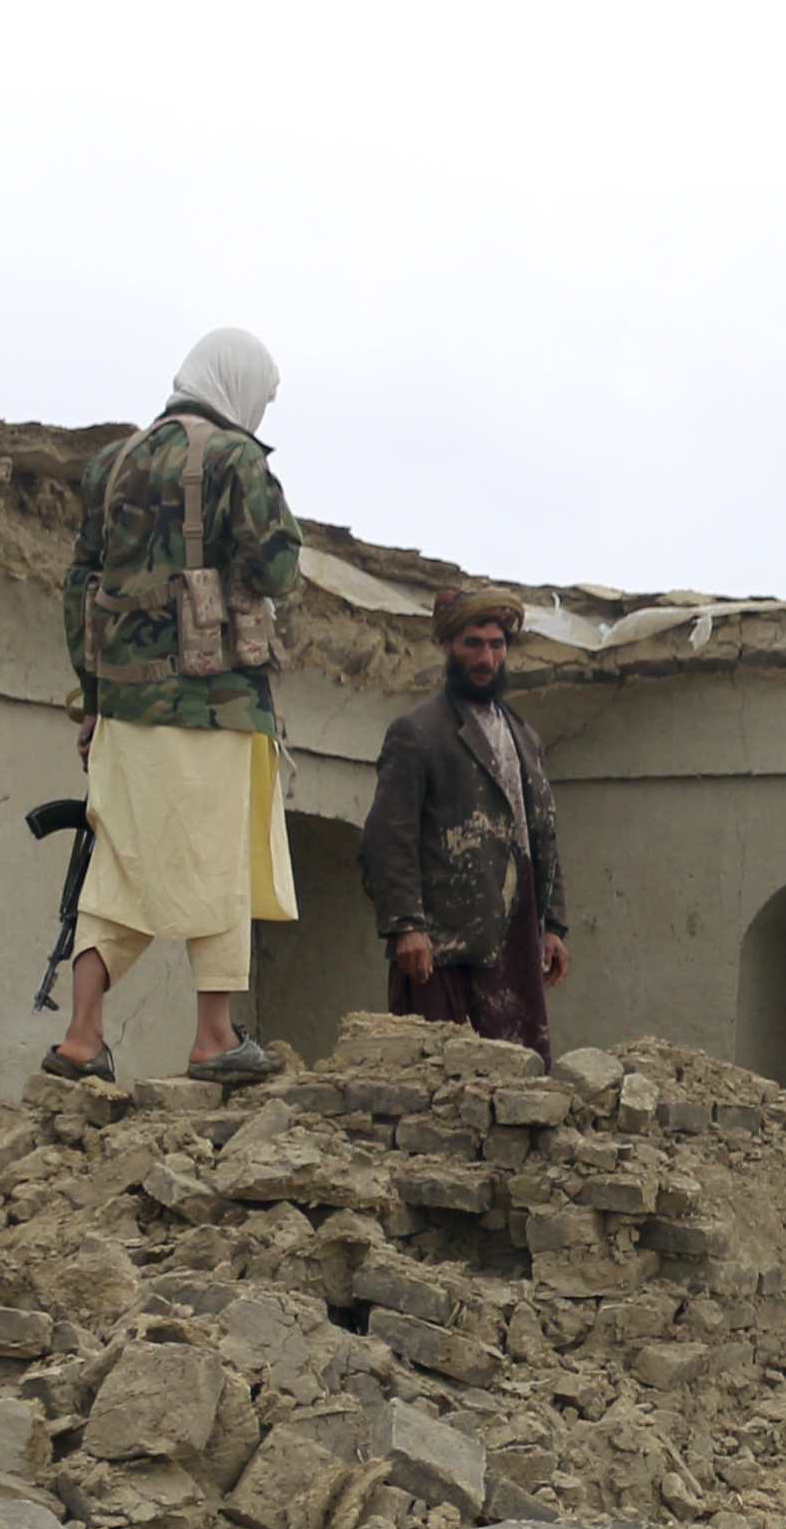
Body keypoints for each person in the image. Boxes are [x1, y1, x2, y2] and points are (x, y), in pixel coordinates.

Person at [51, 327, 301, 1087]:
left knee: (118, 868)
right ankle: (213, 1035)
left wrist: (92, 699)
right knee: (221, 862)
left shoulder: (111, 463)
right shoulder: (235, 461)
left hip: (124, 708)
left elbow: (78, 584)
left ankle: (82, 1037)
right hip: (214, 703)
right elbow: (277, 568)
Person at [359, 586, 571, 1058]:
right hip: (440, 944)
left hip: (513, 936)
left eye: (496, 645)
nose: (486, 657)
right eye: (473, 644)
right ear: (448, 647)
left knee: (520, 1072)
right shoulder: (417, 732)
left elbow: (540, 838)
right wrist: (405, 925)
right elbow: (388, 836)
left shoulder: (525, 736)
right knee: (435, 1074)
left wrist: (553, 925)